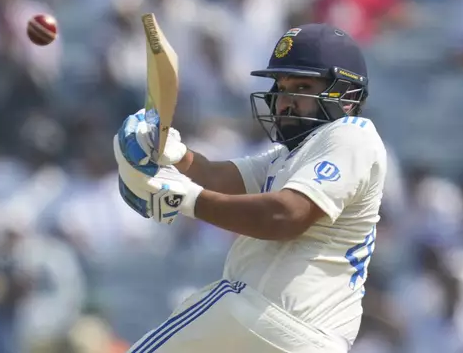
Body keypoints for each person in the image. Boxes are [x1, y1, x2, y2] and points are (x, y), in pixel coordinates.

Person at [113, 23, 387, 352]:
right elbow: (218, 179)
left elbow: (285, 215)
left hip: (266, 317)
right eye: (282, 88)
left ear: (345, 94)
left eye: (301, 87)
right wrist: (174, 153)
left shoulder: (350, 134)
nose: (285, 101)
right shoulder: (291, 155)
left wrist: (183, 199)